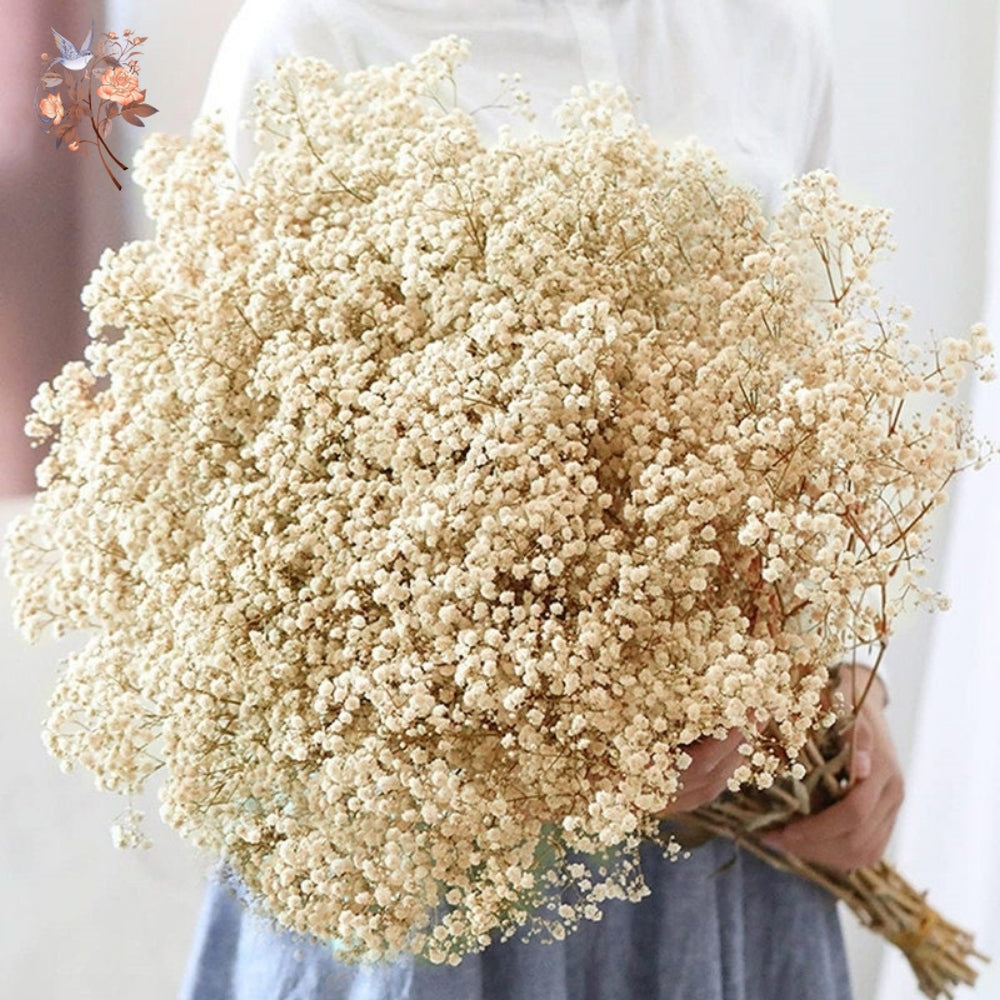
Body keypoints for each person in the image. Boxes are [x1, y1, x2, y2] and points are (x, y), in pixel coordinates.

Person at [179, 3, 904, 997]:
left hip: (730, 804)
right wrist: (555, 726)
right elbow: (234, 498)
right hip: (429, 830)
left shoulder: (771, 28)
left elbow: (810, 394)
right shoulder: (313, 39)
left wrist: (846, 680)